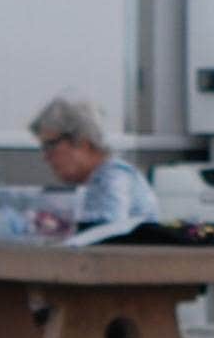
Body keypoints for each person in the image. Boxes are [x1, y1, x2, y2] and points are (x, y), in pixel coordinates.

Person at [27, 96, 156, 243]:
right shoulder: (94, 182)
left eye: (51, 145)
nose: (46, 157)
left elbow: (105, 231)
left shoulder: (114, 177)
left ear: (82, 143)